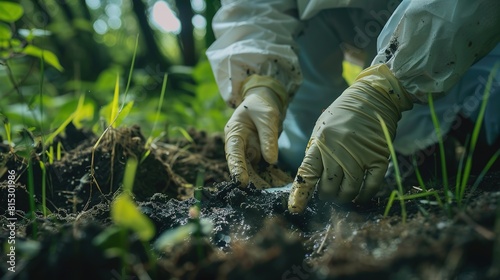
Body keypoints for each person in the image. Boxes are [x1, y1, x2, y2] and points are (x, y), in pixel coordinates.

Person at [206, 0, 500, 213]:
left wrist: (386, 90)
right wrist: (261, 81)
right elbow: (256, 6)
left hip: (468, 28)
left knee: (485, 131)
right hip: (331, 20)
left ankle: (451, 134)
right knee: (306, 156)